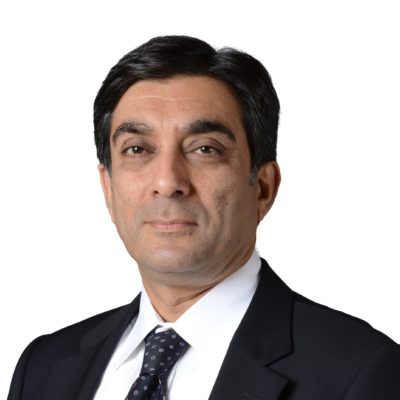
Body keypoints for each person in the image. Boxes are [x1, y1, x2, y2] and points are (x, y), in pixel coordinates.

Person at [7, 35, 400, 400]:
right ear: (108, 187)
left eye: (204, 149)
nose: (167, 183)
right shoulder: (43, 368)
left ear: (262, 187)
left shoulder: (361, 372)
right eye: (137, 149)